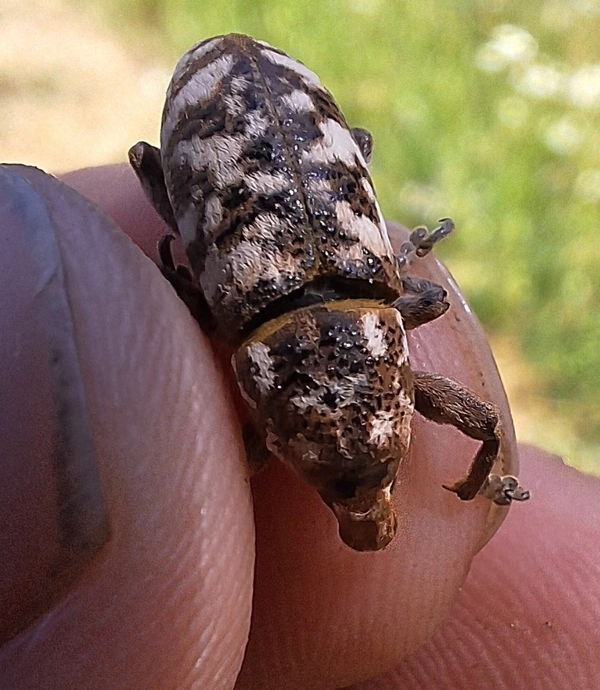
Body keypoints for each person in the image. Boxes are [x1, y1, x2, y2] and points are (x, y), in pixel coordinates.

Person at [0, 163, 598, 690]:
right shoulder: (261, 334)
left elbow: (473, 397)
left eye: (360, 477)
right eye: (363, 477)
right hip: (250, 152)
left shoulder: (307, 319)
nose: (368, 515)